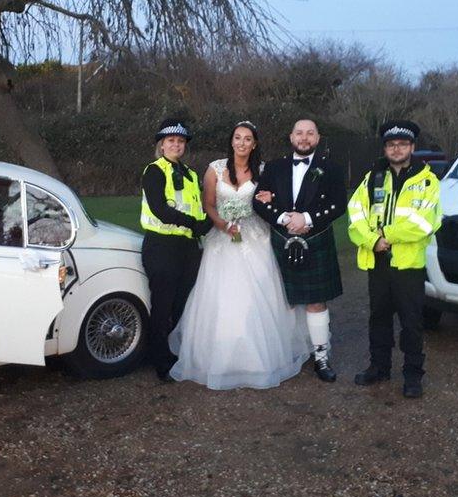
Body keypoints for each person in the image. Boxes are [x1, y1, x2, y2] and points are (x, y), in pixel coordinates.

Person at [169, 121, 310, 389]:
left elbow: (273, 200)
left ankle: (256, 360)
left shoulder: (263, 170)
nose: (241, 143)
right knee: (221, 296)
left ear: (254, 144)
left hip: (254, 235)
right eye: (237, 138)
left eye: (247, 139)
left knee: (255, 296)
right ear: (231, 141)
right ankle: (219, 358)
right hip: (222, 237)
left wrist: (269, 199)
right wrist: (222, 224)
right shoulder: (215, 168)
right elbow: (208, 203)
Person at [347, 120, 441, 398]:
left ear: (412, 147)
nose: (396, 149)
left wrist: (386, 233)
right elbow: (355, 214)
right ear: (385, 148)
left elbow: (425, 223)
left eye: (402, 144)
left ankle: (413, 375)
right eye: (391, 144)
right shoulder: (372, 177)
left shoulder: (427, 181)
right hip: (377, 261)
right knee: (378, 318)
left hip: (408, 265)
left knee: (411, 322)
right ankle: (379, 367)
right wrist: (372, 240)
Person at [252, 119, 347, 382]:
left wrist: (306, 218)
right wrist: (284, 218)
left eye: (310, 133)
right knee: (283, 299)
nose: (304, 138)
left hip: (316, 238)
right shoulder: (273, 167)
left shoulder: (332, 168)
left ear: (318, 138)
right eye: (299, 133)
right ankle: (287, 352)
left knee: (316, 301)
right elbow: (258, 201)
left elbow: (339, 204)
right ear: (291, 136)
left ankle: (321, 356)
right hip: (281, 238)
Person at [140, 119, 212, 382]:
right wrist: (195, 224)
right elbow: (160, 208)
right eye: (170, 140)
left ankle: (172, 351)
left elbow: (199, 208)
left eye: (180, 141)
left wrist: (210, 222)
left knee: (182, 302)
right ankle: (159, 360)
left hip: (187, 247)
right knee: (162, 304)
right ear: (161, 144)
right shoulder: (154, 171)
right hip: (162, 245)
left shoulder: (192, 174)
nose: (176, 145)